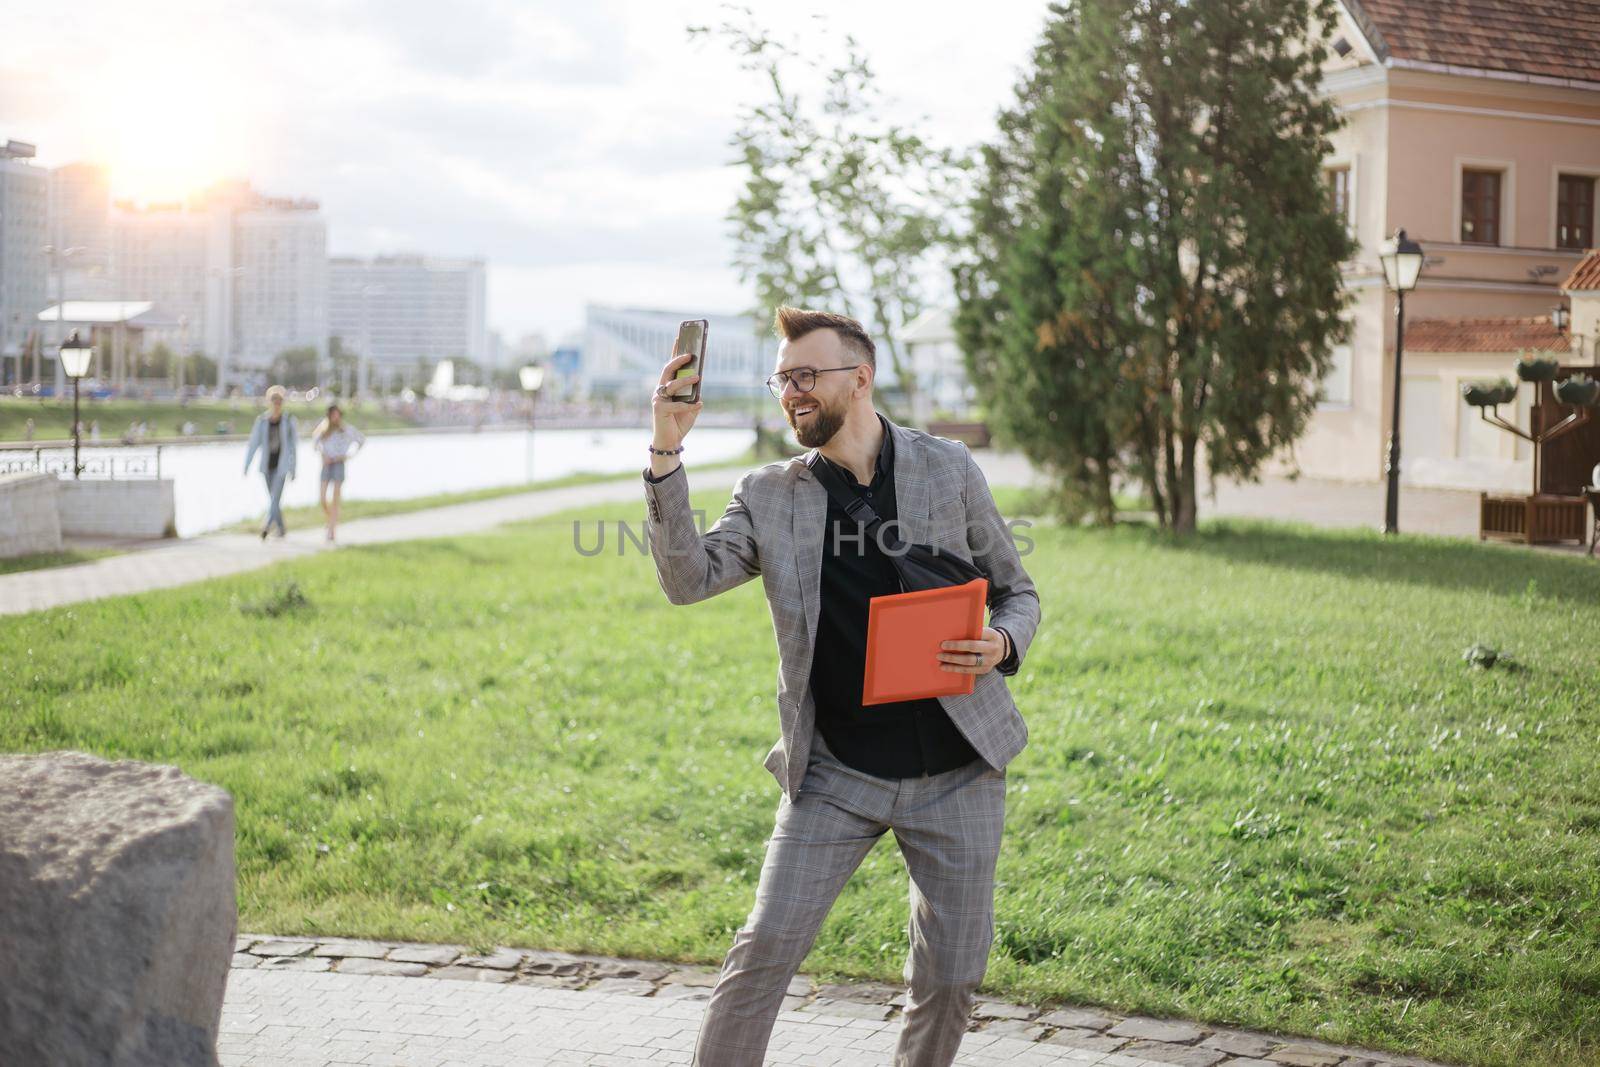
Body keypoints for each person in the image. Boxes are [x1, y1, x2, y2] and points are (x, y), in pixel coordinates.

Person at [642, 307, 1041, 1067]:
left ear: (860, 380)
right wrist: (666, 447)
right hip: (834, 774)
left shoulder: (947, 468)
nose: (790, 392)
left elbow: (1018, 593)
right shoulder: (769, 493)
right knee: (760, 955)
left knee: (951, 978)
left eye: (805, 376)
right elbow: (687, 579)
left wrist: (1001, 640)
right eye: (781, 377)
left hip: (959, 771)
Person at [243, 385, 297, 539]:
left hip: (282, 466)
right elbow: (253, 444)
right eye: (274, 400)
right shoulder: (262, 421)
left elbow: (294, 448)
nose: (276, 403)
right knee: (274, 499)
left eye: (279, 400)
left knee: (274, 498)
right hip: (267, 466)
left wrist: (293, 469)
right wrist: (247, 465)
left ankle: (266, 525)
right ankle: (281, 527)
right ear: (269, 401)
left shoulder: (288, 421)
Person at [311, 403, 365, 542]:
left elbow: (361, 440)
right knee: (322, 498)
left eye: (337, 414)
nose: (335, 417)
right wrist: (323, 455)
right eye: (332, 414)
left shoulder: (346, 429)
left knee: (335, 497)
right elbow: (315, 444)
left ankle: (332, 530)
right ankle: (331, 520)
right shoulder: (323, 428)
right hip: (326, 465)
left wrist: (347, 456)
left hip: (339, 464)